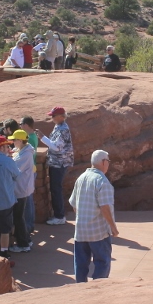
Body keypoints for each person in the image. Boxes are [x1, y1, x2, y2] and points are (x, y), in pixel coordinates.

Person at [69, 150, 119, 282]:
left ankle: (80, 289)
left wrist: (83, 218)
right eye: (108, 161)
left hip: (80, 231)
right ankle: (98, 290)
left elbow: (74, 204)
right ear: (103, 162)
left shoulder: (81, 178)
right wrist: (113, 228)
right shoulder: (102, 181)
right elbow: (105, 207)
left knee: (80, 264)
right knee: (102, 262)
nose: (108, 164)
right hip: (99, 232)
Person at [0, 136, 21, 258]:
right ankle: (4, 252)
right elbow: (17, 176)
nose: (8, 148)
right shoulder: (8, 161)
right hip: (5, 201)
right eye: (6, 146)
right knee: (5, 230)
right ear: (1, 148)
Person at [43, 106, 74, 225]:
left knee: (56, 189)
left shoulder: (63, 129)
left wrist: (42, 137)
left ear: (61, 116)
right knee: (55, 188)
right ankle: (58, 214)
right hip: (56, 162)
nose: (52, 118)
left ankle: (59, 216)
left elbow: (56, 146)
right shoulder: (58, 126)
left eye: (54, 116)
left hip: (60, 163)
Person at [10, 129, 36, 252]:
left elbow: (13, 167)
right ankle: (27, 240)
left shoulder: (26, 154)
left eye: (14, 140)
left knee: (18, 217)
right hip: (22, 188)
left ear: (20, 140)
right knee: (20, 217)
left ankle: (23, 244)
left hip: (21, 189)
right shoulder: (23, 151)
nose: (12, 142)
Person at [20, 116, 39, 233]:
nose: (20, 126)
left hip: (29, 171)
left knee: (28, 200)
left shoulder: (30, 139)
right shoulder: (32, 136)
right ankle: (30, 224)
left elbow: (28, 157)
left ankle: (29, 224)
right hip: (33, 169)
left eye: (21, 124)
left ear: (26, 125)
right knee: (29, 199)